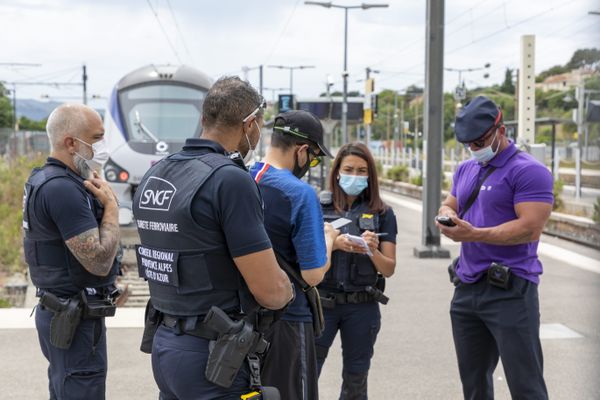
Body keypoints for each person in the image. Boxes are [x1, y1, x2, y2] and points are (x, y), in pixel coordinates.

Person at [132, 76, 294, 400]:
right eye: (258, 126)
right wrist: (287, 288)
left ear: (203, 119)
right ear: (250, 125)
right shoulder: (230, 180)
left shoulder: (157, 173)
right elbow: (270, 291)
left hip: (166, 346)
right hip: (215, 359)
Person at [436, 95, 552, 400]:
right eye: (468, 144)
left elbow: (530, 228)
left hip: (511, 289)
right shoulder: (465, 169)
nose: (474, 149)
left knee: (526, 385)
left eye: (480, 141)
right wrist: (447, 215)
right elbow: (451, 202)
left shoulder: (529, 170)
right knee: (474, 386)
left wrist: (474, 234)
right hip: (467, 287)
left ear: (500, 129)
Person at [22, 103, 122, 400]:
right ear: (70, 143)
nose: (101, 147)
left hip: (62, 312)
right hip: (73, 318)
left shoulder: (43, 180)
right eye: (96, 138)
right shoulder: (63, 189)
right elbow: (99, 261)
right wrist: (112, 208)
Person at [249, 110, 339, 400]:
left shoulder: (241, 178)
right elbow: (313, 274)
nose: (311, 163)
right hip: (288, 319)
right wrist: (329, 240)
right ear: (302, 150)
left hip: (243, 317)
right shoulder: (300, 193)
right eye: (313, 156)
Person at [315, 142, 397, 399]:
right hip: (322, 304)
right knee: (306, 372)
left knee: (356, 378)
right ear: (337, 171)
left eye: (362, 171)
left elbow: (390, 268)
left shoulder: (383, 213)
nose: (355, 175)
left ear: (370, 175)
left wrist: (372, 250)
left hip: (362, 306)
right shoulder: (317, 205)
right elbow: (302, 256)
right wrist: (334, 244)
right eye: (349, 168)